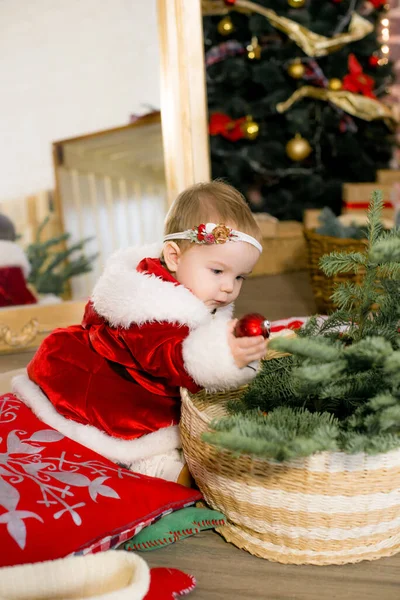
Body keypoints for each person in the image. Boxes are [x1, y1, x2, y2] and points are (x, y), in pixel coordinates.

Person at [13, 181, 266, 483]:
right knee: (143, 431)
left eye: (240, 277)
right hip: (116, 384)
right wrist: (221, 356)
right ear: (173, 257)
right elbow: (169, 356)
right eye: (218, 271)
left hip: (157, 375)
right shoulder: (150, 308)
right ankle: (151, 462)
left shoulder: (196, 287)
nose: (229, 287)